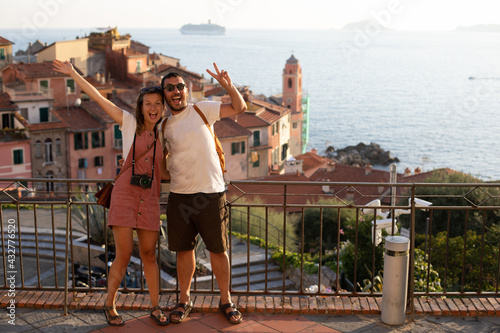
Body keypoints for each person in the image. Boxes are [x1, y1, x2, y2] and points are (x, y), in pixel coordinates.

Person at [52, 60, 169, 327]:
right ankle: (110, 304)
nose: (153, 108)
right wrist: (73, 74)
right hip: (125, 195)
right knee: (124, 254)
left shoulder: (165, 131)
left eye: (157, 104)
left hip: (150, 198)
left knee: (150, 254)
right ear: (140, 107)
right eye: (148, 103)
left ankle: (155, 306)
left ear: (163, 108)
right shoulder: (128, 123)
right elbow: (96, 96)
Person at [161, 63, 247, 325]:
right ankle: (184, 300)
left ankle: (226, 301)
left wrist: (228, 86)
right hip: (179, 196)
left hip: (211, 193)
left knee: (218, 250)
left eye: (179, 87)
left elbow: (239, 108)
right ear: (164, 94)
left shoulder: (203, 109)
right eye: (169, 88)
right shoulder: (163, 125)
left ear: (186, 91)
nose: (176, 91)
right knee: (183, 251)